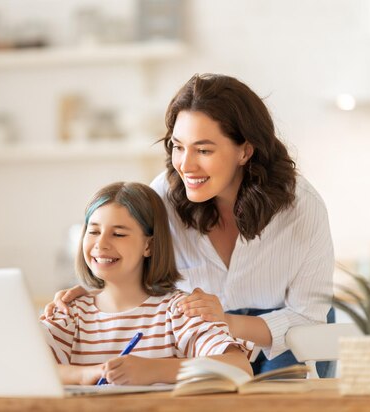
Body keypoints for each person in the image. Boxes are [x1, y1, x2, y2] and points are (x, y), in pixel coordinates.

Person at [45, 73, 334, 376]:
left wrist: (228, 320)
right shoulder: (163, 196)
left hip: (286, 335)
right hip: (202, 333)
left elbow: (309, 319)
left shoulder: (301, 207)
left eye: (204, 150)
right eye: (178, 146)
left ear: (245, 151)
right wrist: (93, 289)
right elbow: (133, 256)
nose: (185, 164)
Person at [40, 181, 253, 385]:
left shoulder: (178, 312)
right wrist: (86, 374)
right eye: (93, 231)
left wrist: (154, 370)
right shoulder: (69, 313)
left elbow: (239, 367)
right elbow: (21, 365)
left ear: (149, 246)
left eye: (118, 234)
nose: (101, 244)